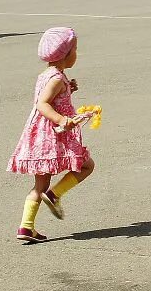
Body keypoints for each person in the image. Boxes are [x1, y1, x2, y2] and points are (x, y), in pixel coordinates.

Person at [6, 27, 97, 245]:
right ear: (66, 54)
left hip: (40, 137)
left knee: (40, 185)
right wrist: (62, 120)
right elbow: (42, 104)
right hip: (52, 136)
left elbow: (51, 97)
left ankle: (26, 227)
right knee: (86, 166)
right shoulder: (56, 79)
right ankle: (54, 195)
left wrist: (68, 90)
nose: (77, 53)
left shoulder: (50, 75)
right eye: (75, 49)